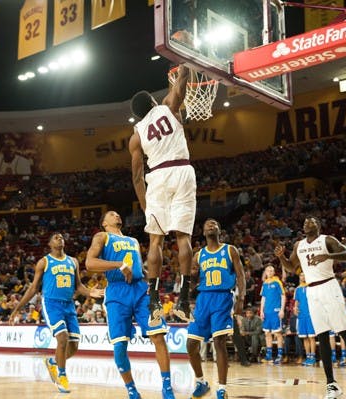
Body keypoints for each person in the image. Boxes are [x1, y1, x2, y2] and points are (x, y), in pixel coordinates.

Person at [275, 216, 346, 398]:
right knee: (322, 336)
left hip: (329, 286)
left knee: (343, 332)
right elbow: (290, 267)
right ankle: (331, 384)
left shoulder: (327, 240)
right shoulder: (299, 245)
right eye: (304, 222)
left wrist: (328, 255)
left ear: (318, 225)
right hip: (312, 291)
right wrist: (281, 258)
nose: (306, 224)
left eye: (310, 222)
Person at [128, 64, 195, 325]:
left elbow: (136, 177)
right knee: (183, 237)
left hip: (156, 176)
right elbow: (181, 87)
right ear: (153, 101)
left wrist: (146, 207)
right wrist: (185, 62)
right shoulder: (167, 107)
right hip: (181, 170)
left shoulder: (136, 136)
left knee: (155, 242)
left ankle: (154, 302)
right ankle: (184, 299)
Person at [86, 211, 175, 399]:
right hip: (117, 292)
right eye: (111, 214)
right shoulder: (102, 236)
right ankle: (132, 390)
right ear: (104, 222)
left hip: (141, 289)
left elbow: (138, 267)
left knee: (158, 334)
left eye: (118, 214)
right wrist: (119, 264)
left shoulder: (133, 241)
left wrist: (152, 284)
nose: (117, 215)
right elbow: (90, 263)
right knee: (119, 345)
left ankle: (167, 387)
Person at [9, 232, 102, 393]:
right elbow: (33, 288)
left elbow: (79, 286)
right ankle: (62, 376)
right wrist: (17, 309)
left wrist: (89, 293)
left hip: (69, 305)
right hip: (51, 304)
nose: (60, 238)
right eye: (56, 237)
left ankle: (53, 362)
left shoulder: (73, 261)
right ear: (50, 244)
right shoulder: (44, 262)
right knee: (62, 337)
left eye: (61, 237)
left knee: (74, 347)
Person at [186, 219, 245, 399]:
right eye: (207, 224)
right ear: (203, 232)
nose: (211, 225)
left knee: (219, 342)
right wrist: (193, 278)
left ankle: (221, 388)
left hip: (223, 297)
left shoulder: (230, 250)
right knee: (190, 344)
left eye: (215, 224)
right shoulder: (198, 255)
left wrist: (241, 298)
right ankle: (201, 382)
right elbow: (193, 281)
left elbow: (241, 274)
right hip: (203, 300)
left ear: (220, 230)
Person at [259, 265, 285, 364]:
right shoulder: (265, 284)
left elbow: (283, 296)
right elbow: (263, 298)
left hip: (276, 311)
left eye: (271, 270)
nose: (269, 272)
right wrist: (261, 311)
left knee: (278, 333)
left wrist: (282, 310)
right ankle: (269, 356)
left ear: (274, 272)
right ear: (265, 272)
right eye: (268, 270)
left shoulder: (277, 282)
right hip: (267, 312)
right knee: (267, 333)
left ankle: (279, 355)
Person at [293, 272, 316, 366]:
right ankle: (308, 356)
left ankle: (313, 357)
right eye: (301, 275)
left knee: (311, 337)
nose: (303, 277)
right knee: (305, 337)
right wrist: (295, 308)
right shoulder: (298, 289)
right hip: (301, 315)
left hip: (310, 314)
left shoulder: (312, 287)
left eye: (304, 275)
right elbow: (297, 301)